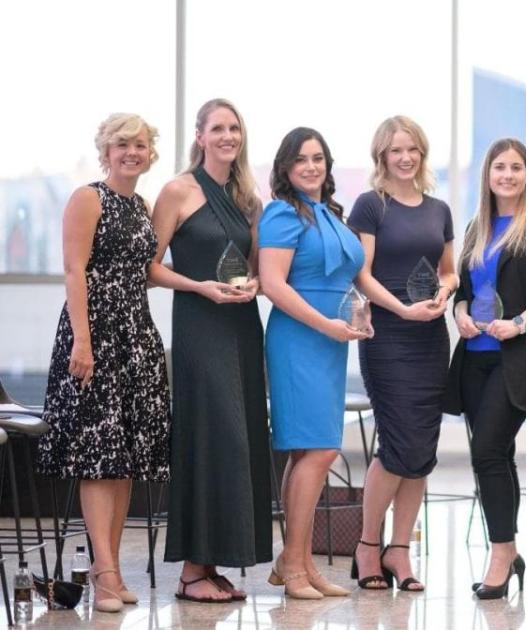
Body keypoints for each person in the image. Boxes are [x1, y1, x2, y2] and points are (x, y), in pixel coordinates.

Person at [36, 113, 171, 613]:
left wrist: (200, 285)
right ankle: (108, 573)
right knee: (99, 453)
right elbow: (75, 270)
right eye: (122, 144)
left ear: (149, 152)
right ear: (106, 151)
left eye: (139, 144)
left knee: (127, 453)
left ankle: (105, 567)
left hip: (136, 333)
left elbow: (148, 269)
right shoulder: (87, 198)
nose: (131, 152)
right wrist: (83, 341)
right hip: (94, 333)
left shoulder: (141, 205)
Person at [149, 98, 272, 603]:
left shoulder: (247, 197)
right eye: (217, 128)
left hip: (241, 324)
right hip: (200, 324)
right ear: (199, 136)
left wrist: (256, 284)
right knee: (210, 435)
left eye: (234, 128)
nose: (228, 137)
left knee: (239, 440)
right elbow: (149, 267)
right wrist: (200, 287)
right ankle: (193, 570)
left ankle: (213, 563)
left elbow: (260, 267)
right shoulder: (178, 190)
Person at [443, 138, 526, 599]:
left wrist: (518, 323)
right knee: (496, 455)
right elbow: (464, 287)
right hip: (474, 357)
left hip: (519, 358)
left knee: (486, 453)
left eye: (517, 167)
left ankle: (500, 552)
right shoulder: (478, 226)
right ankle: (509, 549)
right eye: (500, 167)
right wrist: (459, 311)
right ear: (488, 174)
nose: (508, 175)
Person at [347, 116, 456, 591]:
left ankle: (400, 551)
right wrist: (400, 309)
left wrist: (445, 294)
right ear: (382, 157)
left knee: (422, 449)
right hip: (388, 336)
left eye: (412, 149)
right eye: (396, 151)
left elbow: (448, 270)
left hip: (430, 337)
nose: (405, 157)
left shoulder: (440, 209)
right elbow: (361, 274)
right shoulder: (371, 206)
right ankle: (367, 546)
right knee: (397, 445)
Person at [258, 127, 368, 600]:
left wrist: (358, 310)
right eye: (300, 159)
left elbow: (350, 275)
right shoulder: (283, 213)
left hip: (331, 338)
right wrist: (326, 324)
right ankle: (295, 566)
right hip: (299, 338)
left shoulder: (328, 213)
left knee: (308, 451)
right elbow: (273, 285)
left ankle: (297, 562)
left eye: (318, 158)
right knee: (320, 449)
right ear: (285, 168)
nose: (310, 166)